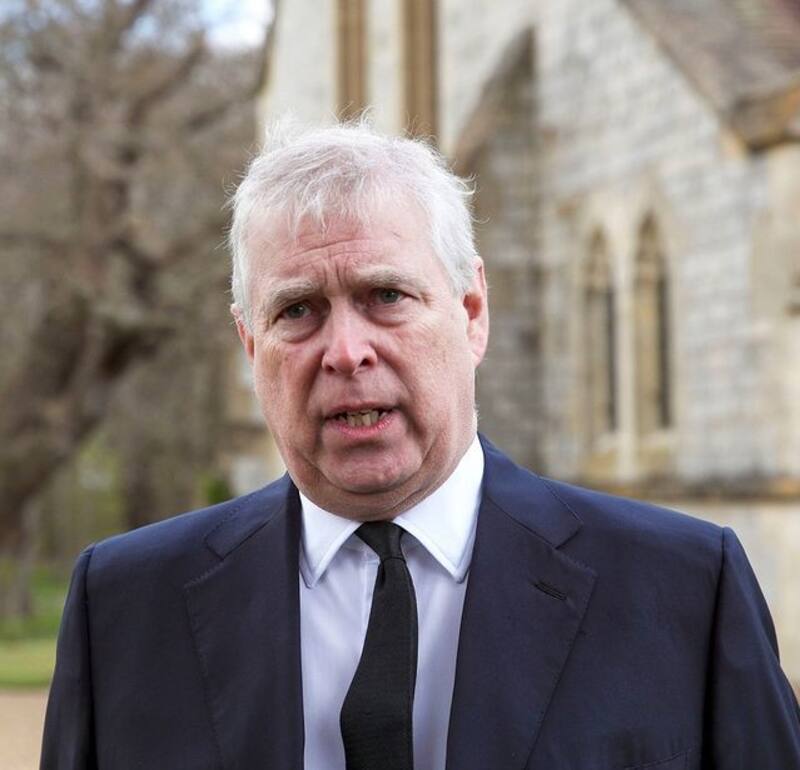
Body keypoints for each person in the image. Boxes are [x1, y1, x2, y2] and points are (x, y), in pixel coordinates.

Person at [41, 121, 800, 770]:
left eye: (386, 296)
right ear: (250, 345)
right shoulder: (124, 609)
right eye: (298, 310)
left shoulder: (685, 589)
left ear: (472, 312)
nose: (347, 351)